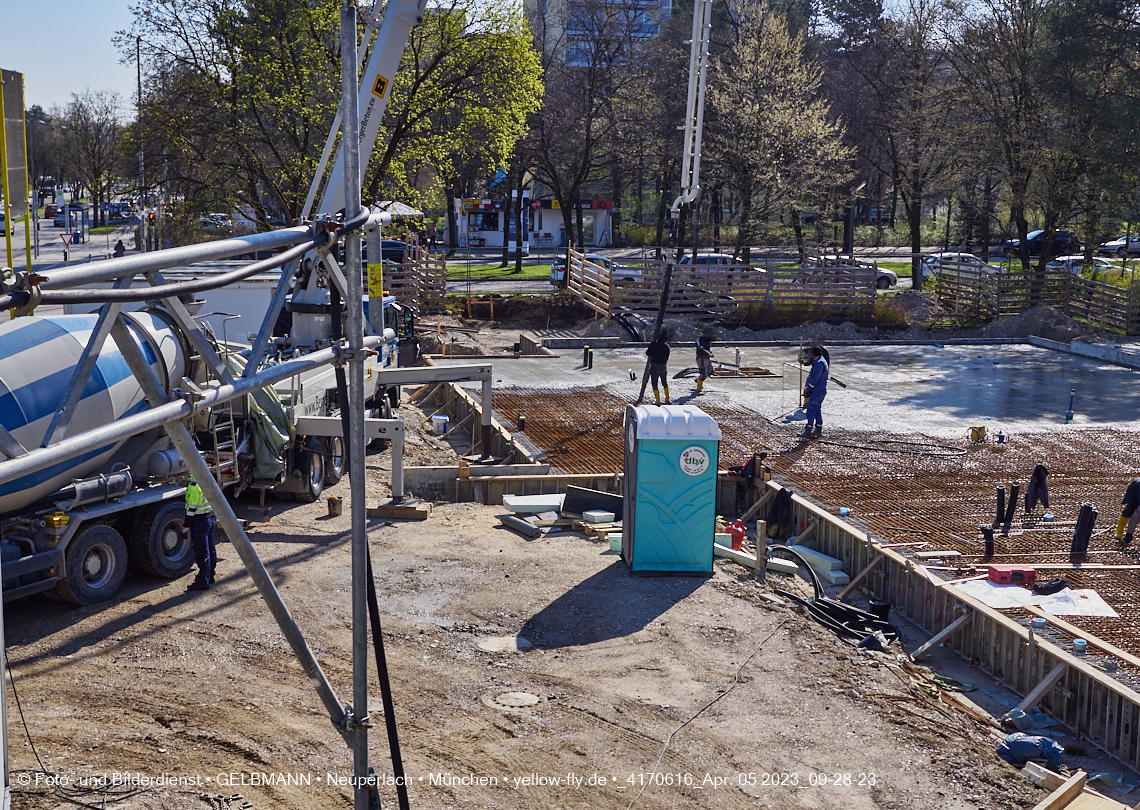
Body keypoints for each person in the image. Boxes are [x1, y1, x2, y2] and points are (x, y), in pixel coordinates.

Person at [185, 475, 217, 591]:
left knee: (202, 553)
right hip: (209, 518)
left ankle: (203, 580)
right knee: (210, 549)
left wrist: (185, 526)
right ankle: (210, 575)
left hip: (198, 522)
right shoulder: (207, 480)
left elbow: (191, 510)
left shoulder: (194, 486)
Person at [802, 345, 829, 438]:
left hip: (817, 391)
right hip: (820, 390)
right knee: (817, 410)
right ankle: (818, 428)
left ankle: (808, 430)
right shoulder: (821, 361)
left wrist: (808, 388)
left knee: (811, 409)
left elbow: (815, 378)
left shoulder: (818, 364)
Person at [646, 330, 671, 405]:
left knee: (654, 383)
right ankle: (667, 399)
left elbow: (648, 353)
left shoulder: (653, 344)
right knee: (664, 383)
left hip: (654, 366)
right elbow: (667, 357)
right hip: (663, 366)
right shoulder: (667, 346)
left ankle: (657, 400)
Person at [1116, 478, 1140, 545]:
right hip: (1135, 488)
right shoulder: (1136, 484)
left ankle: (1127, 537)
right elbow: (1134, 519)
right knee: (1129, 510)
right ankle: (1119, 531)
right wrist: (1128, 536)